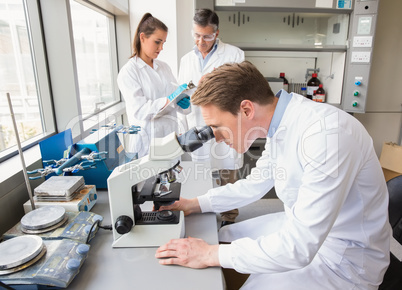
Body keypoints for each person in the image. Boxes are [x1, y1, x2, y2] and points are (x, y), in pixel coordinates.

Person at [155, 61, 391, 289]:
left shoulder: (327, 136)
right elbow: (254, 185)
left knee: (217, 253)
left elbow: (299, 247)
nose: (214, 137)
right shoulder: (281, 125)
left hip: (342, 261)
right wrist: (194, 204)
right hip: (307, 230)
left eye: (216, 126)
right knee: (223, 236)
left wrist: (208, 254)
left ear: (246, 109)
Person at [178, 8, 244, 227]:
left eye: (206, 36)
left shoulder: (234, 54)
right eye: (196, 35)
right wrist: (182, 103)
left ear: (216, 33)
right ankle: (204, 217)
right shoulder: (186, 59)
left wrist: (213, 83)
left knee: (227, 175)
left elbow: (239, 91)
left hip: (225, 126)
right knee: (201, 175)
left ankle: (229, 218)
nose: (201, 41)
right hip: (198, 125)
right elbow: (184, 93)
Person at [117, 13, 190, 158]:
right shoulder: (129, 72)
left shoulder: (164, 67)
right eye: (157, 42)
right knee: (150, 179)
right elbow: (140, 110)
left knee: (172, 177)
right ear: (142, 37)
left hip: (170, 136)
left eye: (163, 43)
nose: (161, 48)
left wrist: (184, 104)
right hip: (147, 142)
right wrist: (167, 100)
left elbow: (174, 98)